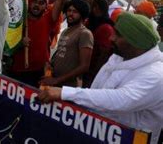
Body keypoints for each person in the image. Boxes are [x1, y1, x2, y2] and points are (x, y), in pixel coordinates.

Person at [39, 13, 163, 144]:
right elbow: (98, 89)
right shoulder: (120, 55)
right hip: (96, 132)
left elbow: (120, 100)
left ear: (136, 42)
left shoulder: (157, 75)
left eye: (118, 35)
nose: (111, 38)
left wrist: (65, 93)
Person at [9, 0, 70, 88]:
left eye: (41, 3)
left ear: (46, 7)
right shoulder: (19, 19)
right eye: (34, 2)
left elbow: (60, 0)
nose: (37, 5)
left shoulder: (49, 19)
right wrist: (20, 43)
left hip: (39, 72)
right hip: (16, 71)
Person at [43, 0, 93, 87]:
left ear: (82, 14)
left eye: (75, 12)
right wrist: (50, 65)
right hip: (54, 81)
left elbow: (84, 66)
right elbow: (61, 53)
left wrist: (57, 80)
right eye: (69, 10)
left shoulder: (85, 34)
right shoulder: (65, 31)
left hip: (69, 86)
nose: (70, 14)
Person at [82, 0, 114, 87]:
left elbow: (103, 55)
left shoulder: (106, 28)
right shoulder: (90, 22)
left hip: (92, 74)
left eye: (91, 7)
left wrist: (92, 75)